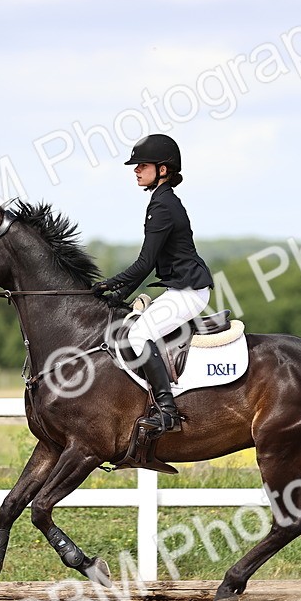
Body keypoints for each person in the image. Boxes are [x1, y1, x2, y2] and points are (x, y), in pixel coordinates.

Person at [92, 134, 214, 435]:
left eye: (142, 165)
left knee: (139, 334)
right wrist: (120, 292)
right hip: (180, 289)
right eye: (136, 165)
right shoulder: (160, 201)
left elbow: (145, 263)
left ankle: (167, 411)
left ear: (163, 169)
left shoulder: (163, 206)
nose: (135, 170)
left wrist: (110, 285)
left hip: (189, 291)